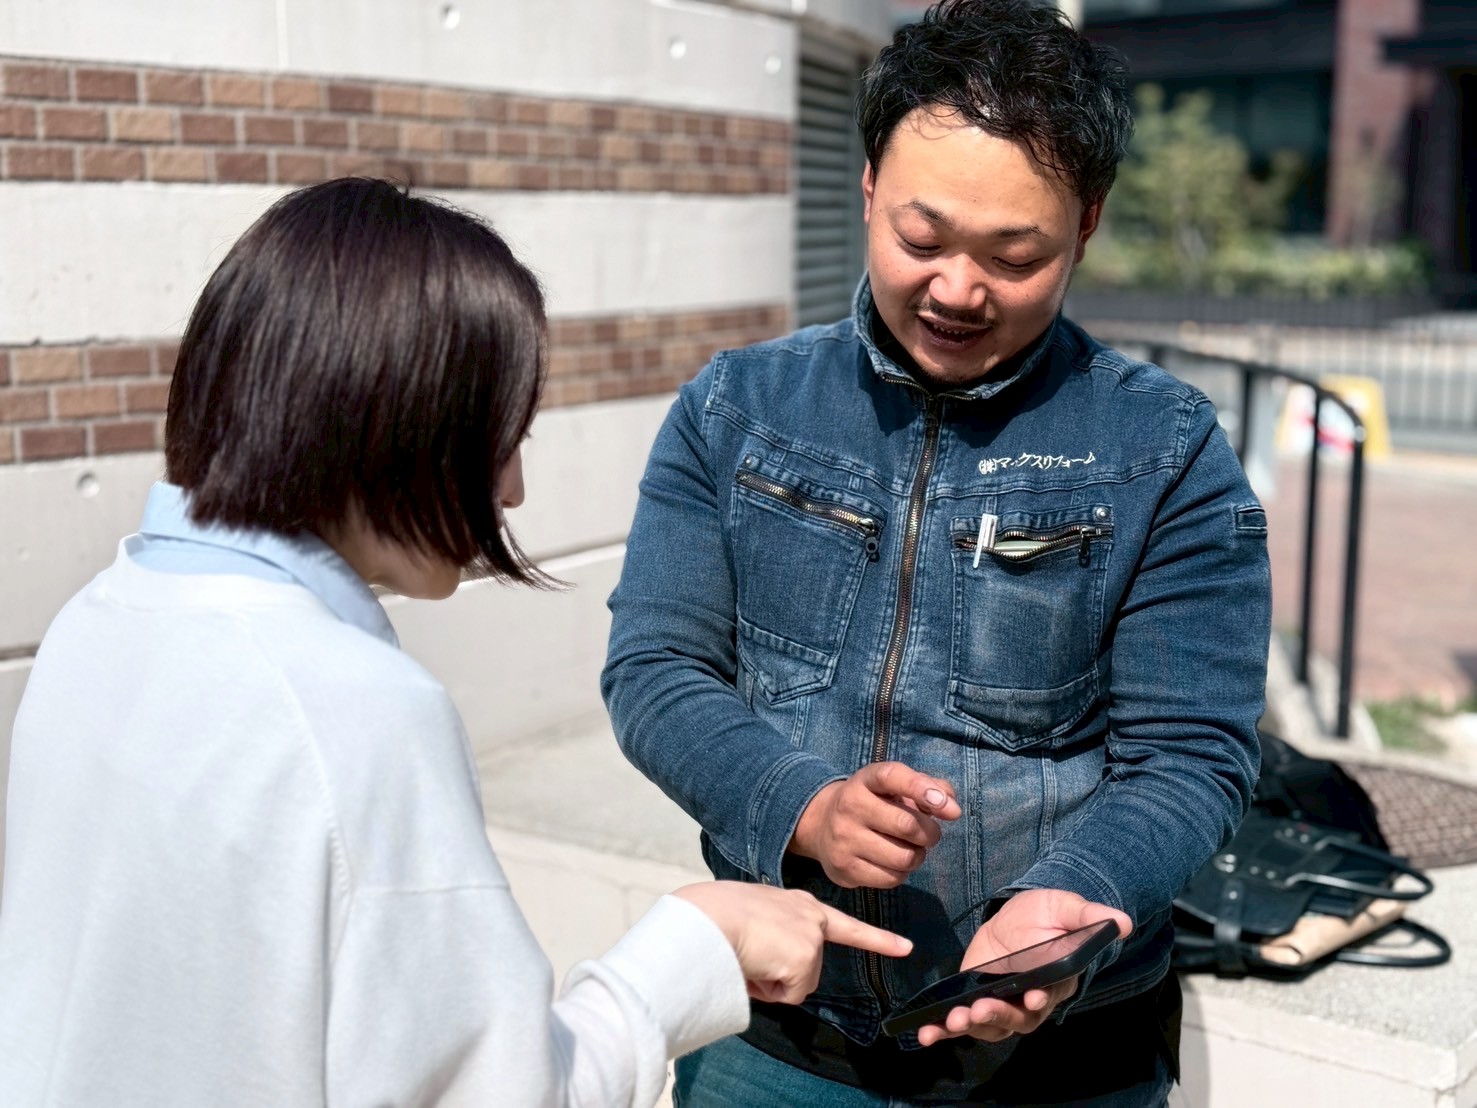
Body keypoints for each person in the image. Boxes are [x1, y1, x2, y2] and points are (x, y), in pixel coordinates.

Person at [0, 177, 914, 1107]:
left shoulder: (100, 619)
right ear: (399, 425)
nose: (512, 490)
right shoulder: (353, 710)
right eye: (502, 438)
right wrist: (691, 945)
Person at [602, 1, 1272, 1103]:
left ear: (1087, 223)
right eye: (921, 239)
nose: (957, 290)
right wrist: (799, 805)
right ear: (866, 187)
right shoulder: (735, 408)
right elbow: (654, 669)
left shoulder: (1164, 449)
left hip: (1062, 1056)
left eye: (1015, 256)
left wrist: (1079, 891)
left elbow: (1192, 753)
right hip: (774, 1032)